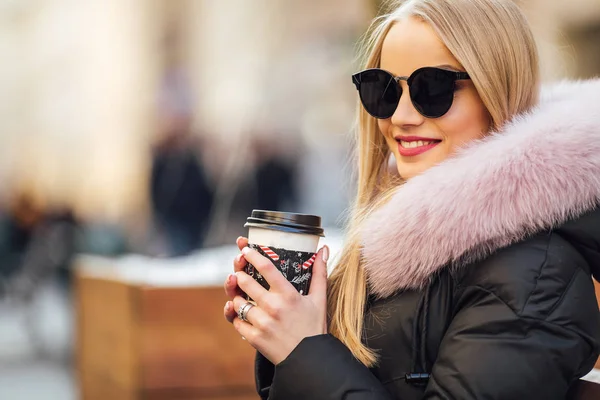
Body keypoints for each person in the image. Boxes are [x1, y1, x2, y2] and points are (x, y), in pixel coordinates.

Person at [223, 0, 600, 398]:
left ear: (496, 91)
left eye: (431, 88)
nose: (401, 116)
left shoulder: (535, 275)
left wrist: (302, 352)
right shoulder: (393, 249)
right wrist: (287, 328)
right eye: (382, 89)